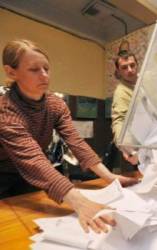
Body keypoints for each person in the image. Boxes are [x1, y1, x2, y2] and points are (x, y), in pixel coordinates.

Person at [0, 39, 139, 233]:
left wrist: (109, 177)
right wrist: (80, 203)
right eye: (34, 70)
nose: (44, 75)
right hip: (3, 176)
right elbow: (33, 159)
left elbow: (76, 142)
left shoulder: (55, 105)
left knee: (32, 225)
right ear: (11, 72)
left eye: (46, 68)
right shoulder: (6, 111)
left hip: (30, 178)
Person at [111, 50, 139, 165]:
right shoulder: (121, 92)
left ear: (137, 65)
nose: (130, 70)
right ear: (118, 71)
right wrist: (127, 147)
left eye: (132, 65)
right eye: (124, 67)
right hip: (140, 144)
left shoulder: (147, 79)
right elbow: (119, 120)